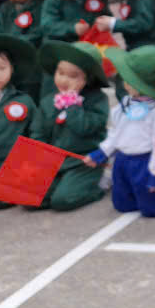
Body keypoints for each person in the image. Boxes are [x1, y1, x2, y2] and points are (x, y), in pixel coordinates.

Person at [83, 46, 155, 217]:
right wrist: (102, 153)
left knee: (152, 209)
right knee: (123, 205)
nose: (124, 83)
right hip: (122, 160)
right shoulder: (126, 103)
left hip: (145, 162)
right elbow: (116, 132)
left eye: (130, 80)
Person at [34, 41, 110, 211]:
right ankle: (61, 185)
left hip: (83, 162)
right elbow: (38, 132)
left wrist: (72, 104)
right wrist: (41, 158)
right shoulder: (48, 101)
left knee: (62, 200)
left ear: (88, 79)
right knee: (30, 197)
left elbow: (83, 127)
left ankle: (98, 185)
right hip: (55, 161)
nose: (63, 80)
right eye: (60, 72)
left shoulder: (97, 100)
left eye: (73, 76)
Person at [0, 35, 39, 210]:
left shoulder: (24, 101)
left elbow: (37, 134)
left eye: (2, 68)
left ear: (12, 68)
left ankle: (13, 189)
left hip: (12, 167)